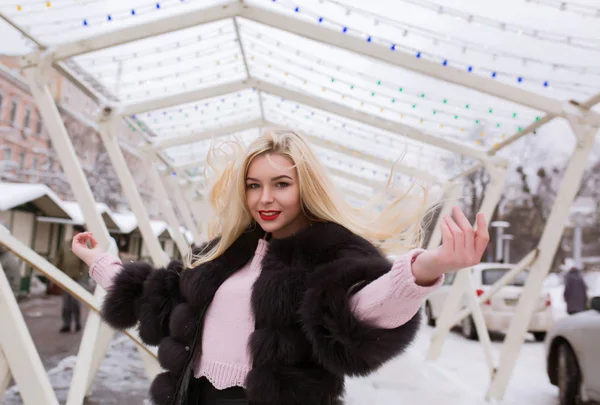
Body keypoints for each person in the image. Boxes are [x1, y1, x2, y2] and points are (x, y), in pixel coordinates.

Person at [71, 130, 489, 405]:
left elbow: (359, 310)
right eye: (254, 186)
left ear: (305, 186)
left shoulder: (333, 252)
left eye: (281, 184)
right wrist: (99, 262)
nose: (264, 198)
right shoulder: (224, 250)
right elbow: (157, 299)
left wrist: (426, 268)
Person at [57, 224, 87, 333]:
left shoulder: (83, 246)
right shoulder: (66, 245)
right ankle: (66, 324)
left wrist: (81, 275)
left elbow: (85, 263)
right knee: (66, 304)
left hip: (77, 279)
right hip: (66, 277)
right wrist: (57, 272)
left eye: (76, 232)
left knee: (75, 302)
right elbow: (59, 259)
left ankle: (77, 323)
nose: (74, 234)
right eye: (73, 232)